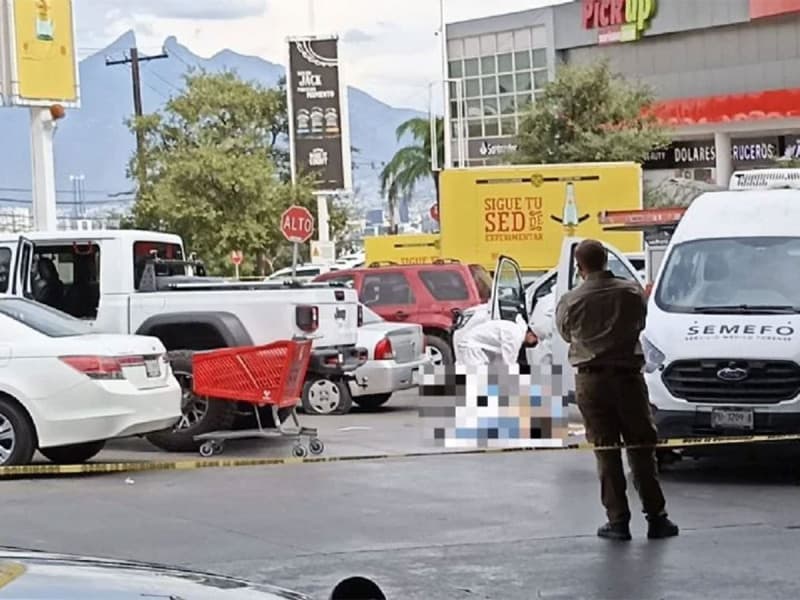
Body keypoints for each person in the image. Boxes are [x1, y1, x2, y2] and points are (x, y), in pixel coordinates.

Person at [555, 239, 678, 541]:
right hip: (628, 378)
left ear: (580, 267)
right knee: (641, 448)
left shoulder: (572, 300)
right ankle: (657, 517)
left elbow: (566, 333)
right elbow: (641, 322)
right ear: (606, 260)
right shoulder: (631, 292)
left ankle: (618, 521)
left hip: (592, 382)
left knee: (606, 451)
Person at [455, 313, 538, 367]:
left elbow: (500, 361)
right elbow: (508, 363)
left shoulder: (515, 329)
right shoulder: (516, 336)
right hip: (471, 348)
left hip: (473, 346)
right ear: (530, 334)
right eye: (535, 339)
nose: (536, 342)